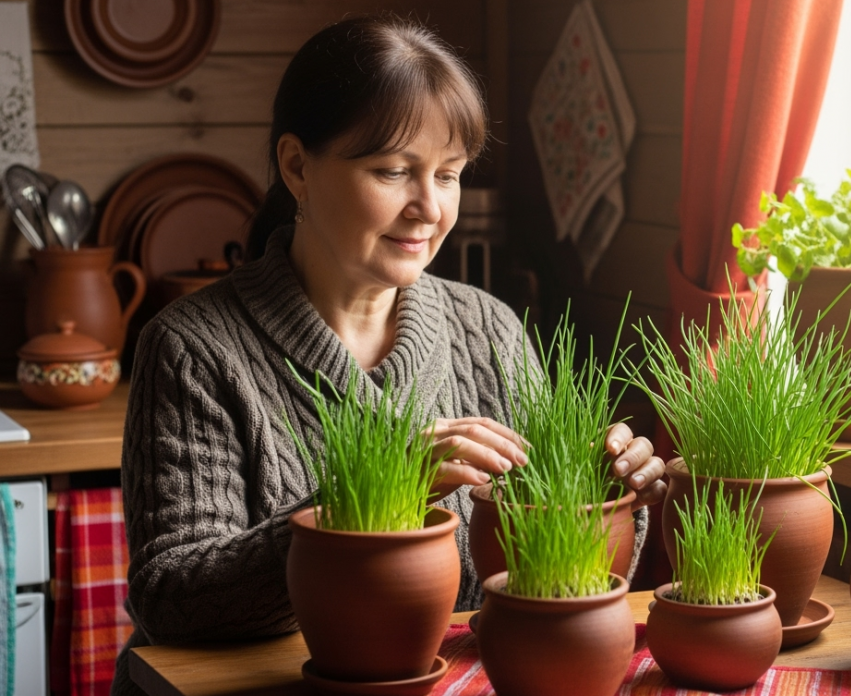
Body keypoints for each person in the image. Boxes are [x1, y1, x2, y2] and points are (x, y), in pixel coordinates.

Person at [110, 15, 665, 696]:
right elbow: (171, 598)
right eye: (394, 171)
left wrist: (606, 490)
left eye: (450, 175)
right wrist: (368, 501)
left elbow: (545, 570)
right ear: (296, 167)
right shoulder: (193, 348)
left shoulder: (488, 330)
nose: (429, 208)